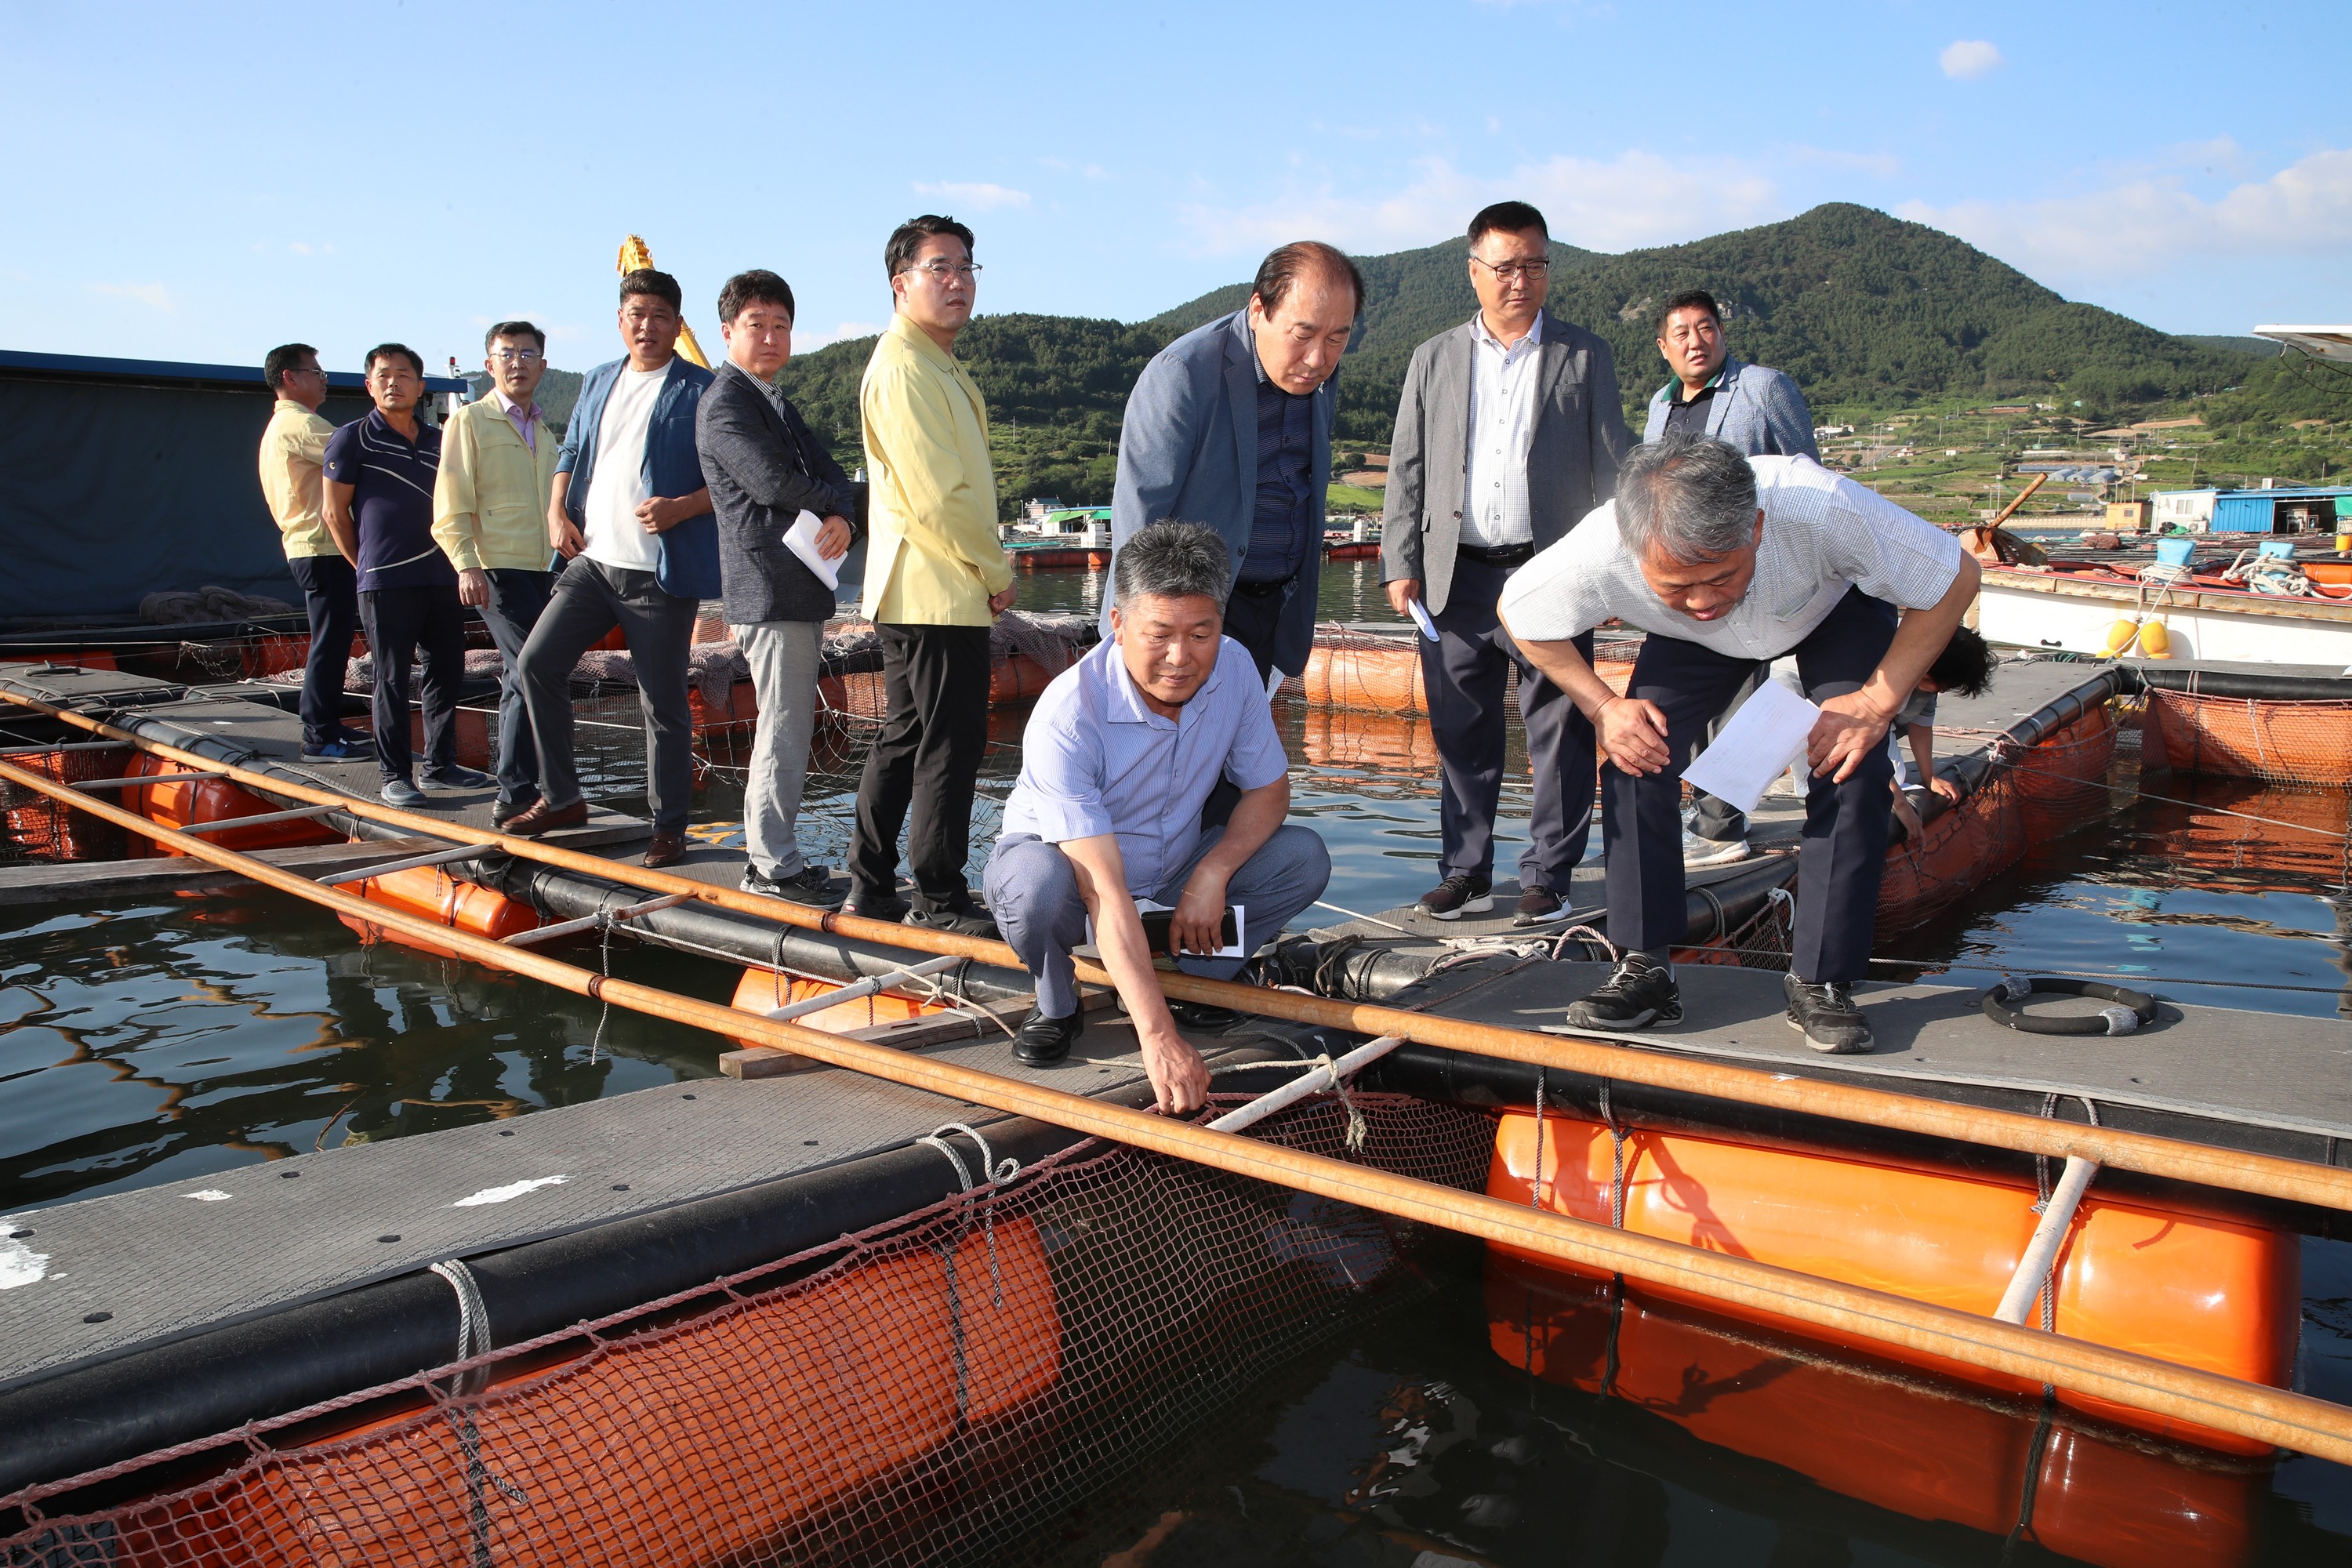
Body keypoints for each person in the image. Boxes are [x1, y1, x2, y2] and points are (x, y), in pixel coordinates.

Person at [1498, 435, 1980, 1054]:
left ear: (1755, 526)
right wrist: (1603, 707)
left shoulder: (1819, 506)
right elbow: (1520, 614)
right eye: (1676, 584)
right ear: (1635, 551)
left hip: (1831, 607)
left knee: (1850, 764)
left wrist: (1877, 703)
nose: (1703, 598)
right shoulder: (1599, 549)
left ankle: (1822, 979)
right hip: (1691, 645)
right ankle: (1647, 968)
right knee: (1633, 756)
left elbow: (1956, 575)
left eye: (1720, 576)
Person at [983, 521, 1331, 1114]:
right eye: (1159, 634)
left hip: (1171, 871)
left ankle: (1202, 977)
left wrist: (1213, 873)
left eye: (1202, 633)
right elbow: (1100, 886)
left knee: (1303, 858)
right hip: (1076, 879)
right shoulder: (1069, 713)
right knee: (1035, 892)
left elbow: (1270, 791)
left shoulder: (1237, 669)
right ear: (1117, 624)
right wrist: (1158, 1037)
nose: (1181, 658)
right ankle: (1057, 1002)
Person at [1381, 201, 1628, 927]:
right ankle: (1466, 873)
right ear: (1473, 273)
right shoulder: (1434, 357)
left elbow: (1615, 472)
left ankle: (1548, 875)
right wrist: (1402, 562)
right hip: (1454, 576)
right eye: (1505, 267)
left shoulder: (1585, 356)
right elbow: (1408, 468)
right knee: (1461, 728)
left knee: (1559, 728)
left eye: (1535, 265)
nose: (1521, 280)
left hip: (1550, 575)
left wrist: (1610, 572)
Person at [505, 270, 717, 868]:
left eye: (659, 316)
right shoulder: (599, 379)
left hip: (659, 574)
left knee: (662, 702)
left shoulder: (701, 389)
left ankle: (669, 824)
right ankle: (563, 796)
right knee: (536, 663)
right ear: (621, 320)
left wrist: (682, 507)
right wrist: (554, 511)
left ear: (678, 325)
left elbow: (726, 483)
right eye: (636, 314)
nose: (646, 326)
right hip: (592, 561)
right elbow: (571, 450)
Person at [845, 215, 1014, 932]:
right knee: (949, 742)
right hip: (939, 587)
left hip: (922, 586)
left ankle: (871, 882)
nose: (958, 282)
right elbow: (941, 495)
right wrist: (996, 567)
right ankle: (939, 897)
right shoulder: (906, 366)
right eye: (939, 268)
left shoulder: (932, 360)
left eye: (967, 267)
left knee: (908, 736)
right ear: (901, 283)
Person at [1107, 241, 1359, 694]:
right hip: (1192, 621)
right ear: (1259, 308)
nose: (1318, 359)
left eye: (1337, 337)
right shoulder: (1182, 374)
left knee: (1242, 760)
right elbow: (1139, 519)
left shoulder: (1318, 378)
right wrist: (1131, 639)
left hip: (1273, 610)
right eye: (1302, 335)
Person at [695, 268, 859, 902]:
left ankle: (776, 857)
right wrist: (835, 505)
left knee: (788, 723)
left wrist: (843, 510)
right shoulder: (726, 404)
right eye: (756, 325)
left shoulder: (773, 400)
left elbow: (830, 471)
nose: (770, 337)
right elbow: (770, 483)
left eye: (781, 325)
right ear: (727, 332)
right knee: (785, 725)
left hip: (795, 584)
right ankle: (770, 865)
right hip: (768, 587)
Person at [1643, 289, 1821, 870]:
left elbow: (1806, 477)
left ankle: (1723, 829)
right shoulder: (1659, 407)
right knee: (1691, 705)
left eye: (1706, 328)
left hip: (1750, 575)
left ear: (1722, 333)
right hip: (1682, 586)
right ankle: (1709, 814)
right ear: (1664, 347)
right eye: (1683, 333)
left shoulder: (1764, 388)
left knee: (1742, 704)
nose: (1696, 341)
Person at [321, 344, 490, 807]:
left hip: (443, 574)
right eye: (383, 375)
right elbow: (334, 514)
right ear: (369, 385)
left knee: (446, 671)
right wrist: (366, 567)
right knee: (391, 678)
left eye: (403, 374)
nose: (393, 382)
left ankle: (440, 766)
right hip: (385, 580)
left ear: (421, 386)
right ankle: (394, 774)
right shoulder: (351, 438)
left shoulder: (442, 440)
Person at [431, 321, 561, 828]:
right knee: (533, 666)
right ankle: (519, 790)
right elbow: (450, 502)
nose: (518, 362)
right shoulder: (469, 422)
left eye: (528, 354)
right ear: (490, 365)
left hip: (543, 569)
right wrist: (465, 562)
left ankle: (523, 788)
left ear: (543, 366)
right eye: (507, 353)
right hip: (495, 568)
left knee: (519, 674)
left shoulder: (547, 432)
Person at [259, 343, 369, 763]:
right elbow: (356, 452)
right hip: (321, 546)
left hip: (308, 546)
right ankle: (318, 735)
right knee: (330, 639)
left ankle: (328, 722)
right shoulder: (299, 425)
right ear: (290, 377)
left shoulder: (284, 425)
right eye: (316, 371)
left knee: (335, 637)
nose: (324, 379)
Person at [1886, 625, 1994, 841]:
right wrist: (1900, 803)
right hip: (1828, 721)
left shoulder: (1930, 688)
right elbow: (1865, 742)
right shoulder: (1884, 670)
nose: (1938, 690)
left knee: (1895, 775)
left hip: (1881, 731)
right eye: (1933, 681)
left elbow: (1921, 727)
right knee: (1886, 780)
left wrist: (1929, 777)